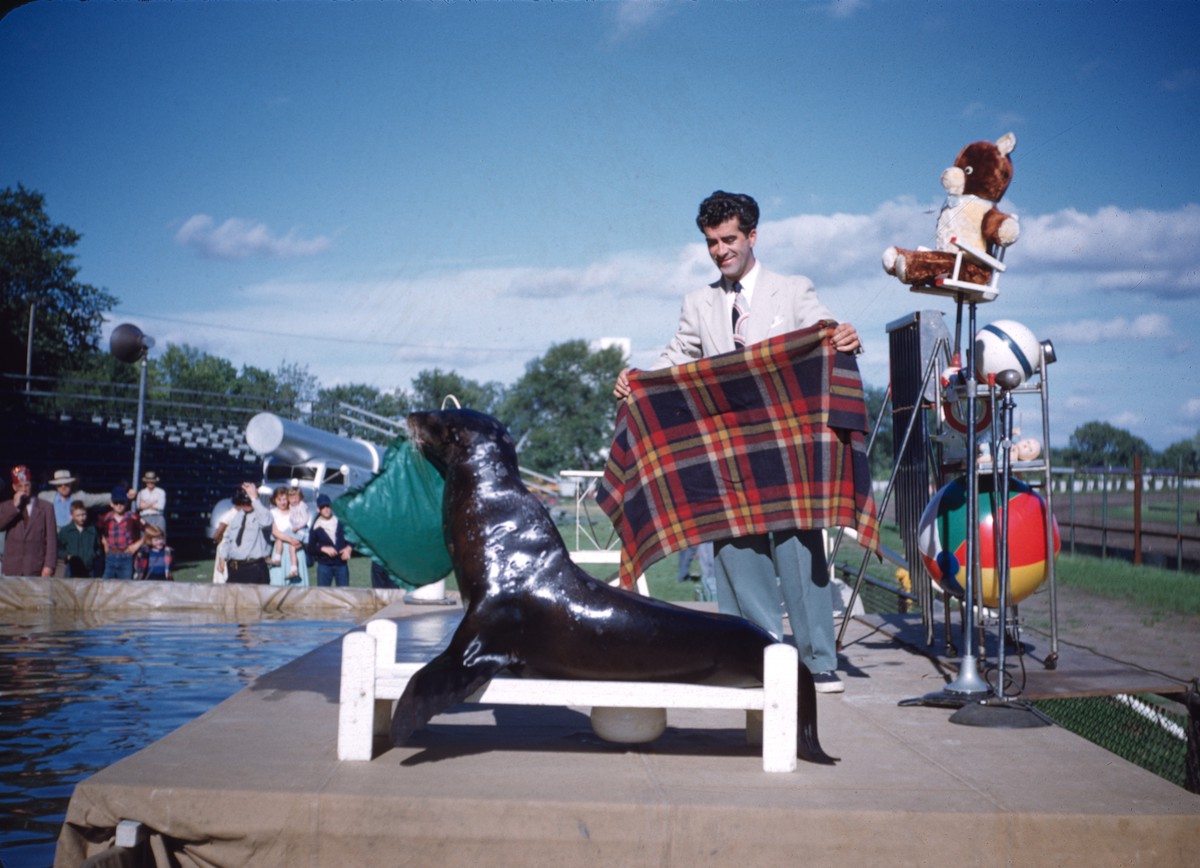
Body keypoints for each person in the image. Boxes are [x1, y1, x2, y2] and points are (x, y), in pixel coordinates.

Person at [613, 191, 862, 694]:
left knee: (798, 546)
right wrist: (635, 379)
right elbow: (677, 356)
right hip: (728, 452)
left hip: (789, 452)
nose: (720, 251)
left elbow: (827, 332)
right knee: (736, 551)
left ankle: (818, 660)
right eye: (711, 243)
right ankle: (758, 658)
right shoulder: (697, 303)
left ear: (752, 236)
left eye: (729, 240)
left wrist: (844, 337)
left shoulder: (793, 290)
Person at [0, 465, 57, 577]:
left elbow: (51, 540)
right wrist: (14, 507)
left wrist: (49, 565)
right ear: (14, 487)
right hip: (12, 568)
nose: (24, 489)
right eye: (20, 486)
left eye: (27, 485)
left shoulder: (46, 507)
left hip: (36, 567)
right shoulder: (6, 506)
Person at [221, 483, 273, 584]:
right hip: (235, 568)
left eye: (249, 502)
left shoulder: (262, 513)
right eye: (243, 502)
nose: (246, 505)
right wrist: (223, 556)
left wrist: (254, 498)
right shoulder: (239, 515)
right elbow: (228, 537)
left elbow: (266, 522)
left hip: (253, 567)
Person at [39, 469, 110, 530]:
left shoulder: (79, 497)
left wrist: (117, 496)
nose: (63, 487)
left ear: (71, 484)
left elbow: (99, 498)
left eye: (66, 484)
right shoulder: (45, 497)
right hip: (54, 535)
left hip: (72, 536)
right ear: (56, 486)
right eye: (60, 485)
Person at [267, 486, 309, 586]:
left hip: (295, 548)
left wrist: (300, 542)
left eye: (285, 499)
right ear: (274, 500)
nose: (282, 502)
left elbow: (304, 528)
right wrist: (291, 539)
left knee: (297, 586)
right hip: (280, 550)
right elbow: (275, 532)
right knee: (277, 581)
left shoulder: (295, 510)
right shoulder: (273, 513)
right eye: (279, 499)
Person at [308, 494, 352, 587]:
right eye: (322, 507)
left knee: (344, 595)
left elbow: (352, 536)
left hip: (341, 565)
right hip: (324, 566)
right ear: (318, 510)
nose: (326, 509)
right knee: (323, 594)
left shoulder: (340, 521)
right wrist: (322, 549)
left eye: (328, 506)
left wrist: (349, 548)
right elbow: (310, 548)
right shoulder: (316, 526)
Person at [98, 486, 142, 579]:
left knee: (126, 586)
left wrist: (137, 545)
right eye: (116, 502)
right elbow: (99, 531)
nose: (119, 505)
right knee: (106, 585)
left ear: (126, 503)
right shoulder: (105, 518)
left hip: (126, 556)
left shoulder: (133, 517)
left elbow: (150, 531)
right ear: (111, 504)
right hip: (110, 556)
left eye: (121, 502)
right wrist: (104, 542)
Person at [58, 500, 102, 578]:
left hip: (89, 570)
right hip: (71, 569)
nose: (81, 518)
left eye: (83, 515)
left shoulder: (92, 530)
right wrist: (67, 556)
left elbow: (98, 548)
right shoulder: (66, 531)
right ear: (72, 515)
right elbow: (58, 549)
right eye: (78, 515)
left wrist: (92, 556)